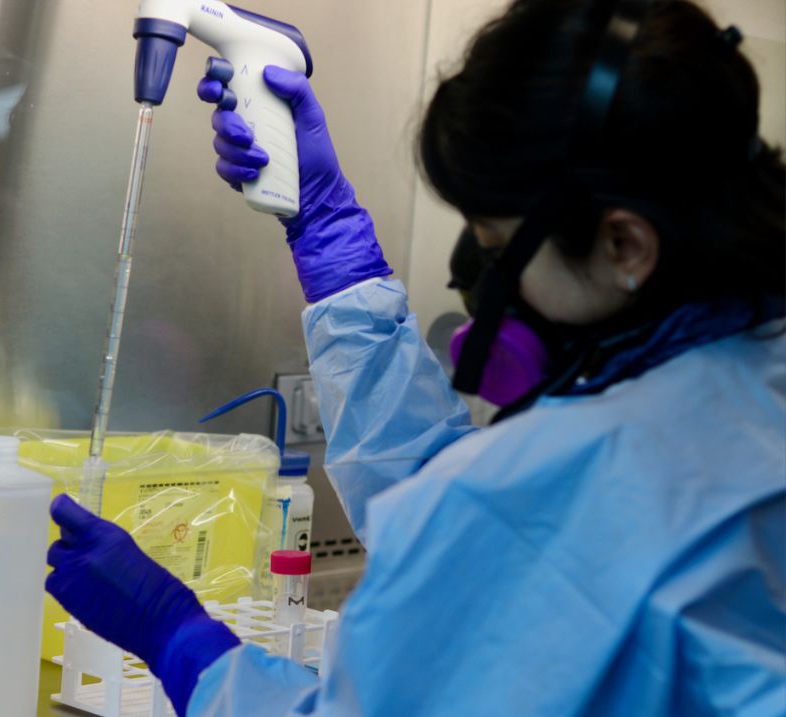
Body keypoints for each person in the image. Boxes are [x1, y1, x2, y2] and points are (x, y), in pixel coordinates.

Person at [45, 0, 786, 714]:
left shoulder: (560, 491)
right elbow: (465, 520)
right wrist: (327, 237)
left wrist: (178, 637)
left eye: (498, 247)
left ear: (625, 245)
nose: (479, 283)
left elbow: (499, 522)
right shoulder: (748, 380)